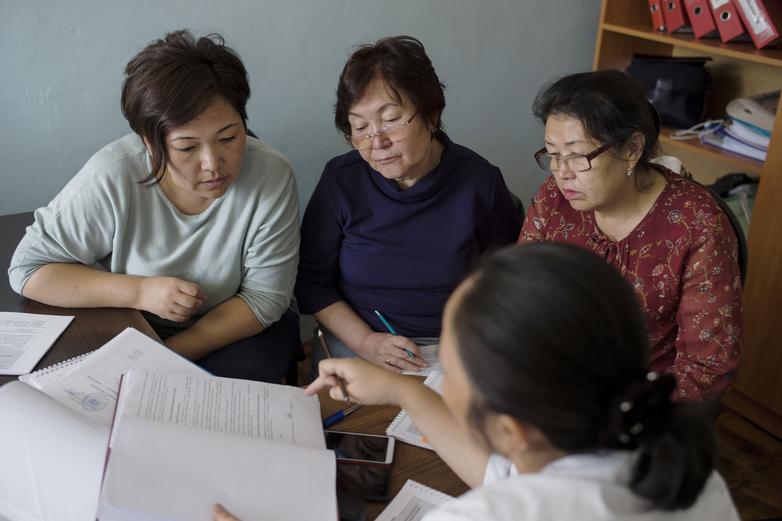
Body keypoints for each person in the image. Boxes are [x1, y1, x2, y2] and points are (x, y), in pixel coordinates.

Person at [214, 244, 740, 521]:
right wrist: (405, 390)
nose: (439, 377)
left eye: (449, 370)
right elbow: (505, 476)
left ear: (510, 430)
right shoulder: (686, 474)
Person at [8, 30, 301, 383]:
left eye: (228, 137)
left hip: (234, 329)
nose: (213, 164)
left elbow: (263, 298)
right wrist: (140, 291)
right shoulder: (114, 174)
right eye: (187, 147)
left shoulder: (271, 174)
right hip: (134, 322)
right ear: (149, 142)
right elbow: (28, 270)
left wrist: (166, 356)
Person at [295, 36, 521, 375]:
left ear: (431, 114)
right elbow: (312, 282)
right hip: (360, 338)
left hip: (454, 343)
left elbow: (506, 281)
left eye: (390, 120)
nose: (377, 142)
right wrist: (367, 342)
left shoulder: (480, 183)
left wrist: (469, 341)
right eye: (360, 127)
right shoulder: (342, 181)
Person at [519, 70, 742, 401]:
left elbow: (708, 366)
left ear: (632, 149)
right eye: (553, 154)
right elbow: (520, 296)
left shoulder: (696, 224)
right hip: (554, 382)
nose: (561, 173)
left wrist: (618, 410)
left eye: (577, 156)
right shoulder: (554, 199)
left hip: (641, 402)